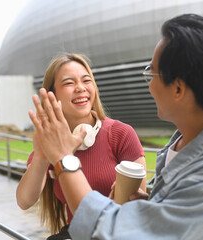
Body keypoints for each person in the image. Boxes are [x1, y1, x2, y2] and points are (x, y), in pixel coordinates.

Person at [28, 14, 203, 239]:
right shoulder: (190, 143)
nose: (149, 85)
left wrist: (63, 158)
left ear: (178, 89)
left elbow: (109, 233)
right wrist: (156, 206)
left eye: (152, 73)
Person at [16, 53, 146, 239]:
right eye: (69, 83)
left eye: (86, 80)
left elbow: (135, 205)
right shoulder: (53, 142)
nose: (80, 88)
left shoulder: (121, 133)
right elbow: (24, 201)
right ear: (53, 95)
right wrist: (42, 157)